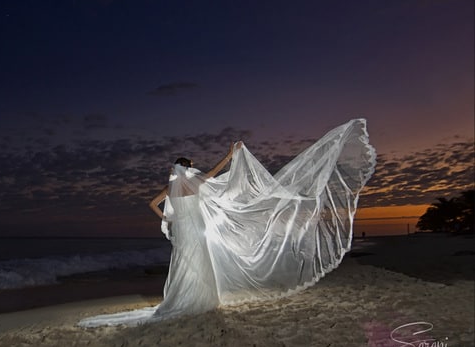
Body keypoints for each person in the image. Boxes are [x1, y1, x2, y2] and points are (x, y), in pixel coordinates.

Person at [79, 119, 376, 327]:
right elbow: (213, 175)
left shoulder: (171, 187)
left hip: (182, 231)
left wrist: (167, 218)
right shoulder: (194, 182)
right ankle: (200, 302)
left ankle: (185, 300)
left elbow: (151, 205)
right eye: (191, 166)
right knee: (201, 263)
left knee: (185, 264)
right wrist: (229, 155)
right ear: (188, 167)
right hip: (196, 230)